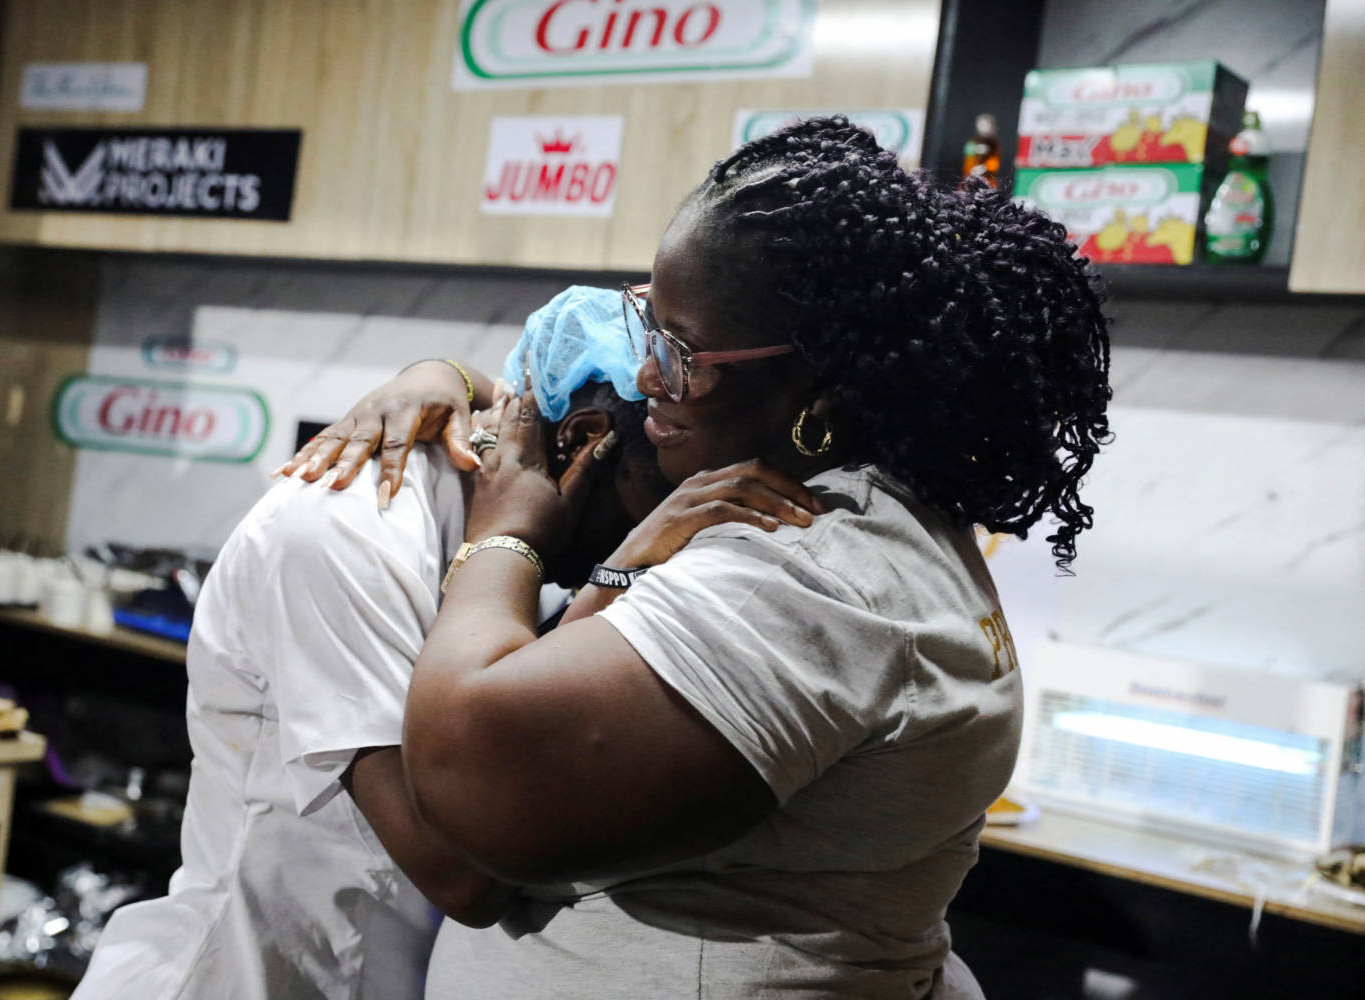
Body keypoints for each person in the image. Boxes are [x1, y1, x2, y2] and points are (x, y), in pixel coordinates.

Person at [302, 116, 1112, 998]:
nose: (650, 376)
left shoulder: (808, 571)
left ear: (819, 393)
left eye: (682, 353)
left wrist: (506, 537)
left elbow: (469, 774)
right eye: (648, 321)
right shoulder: (859, 511)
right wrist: (446, 376)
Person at [72, 291, 819, 1000]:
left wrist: (443, 373)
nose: (668, 538)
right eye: (659, 496)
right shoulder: (342, 533)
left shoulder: (522, 487)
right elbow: (466, 876)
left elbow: (507, 397)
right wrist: (609, 567)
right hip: (242, 975)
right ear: (586, 442)